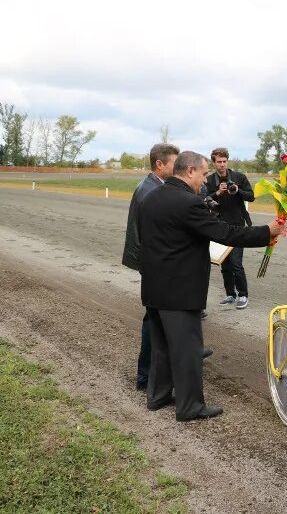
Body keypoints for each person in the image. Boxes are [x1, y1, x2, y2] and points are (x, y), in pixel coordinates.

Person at [138, 151, 285, 421]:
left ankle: (157, 396)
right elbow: (226, 233)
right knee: (188, 350)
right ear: (190, 171)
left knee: (161, 347)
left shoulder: (151, 196)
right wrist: (267, 232)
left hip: (154, 286)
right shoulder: (187, 203)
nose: (205, 180)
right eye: (204, 174)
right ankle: (190, 406)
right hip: (179, 291)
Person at [122, 143, 178, 391]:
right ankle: (146, 376)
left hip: (152, 262)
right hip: (154, 265)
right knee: (153, 322)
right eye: (175, 163)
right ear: (160, 164)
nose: (178, 168)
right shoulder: (149, 191)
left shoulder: (155, 187)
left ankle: (151, 375)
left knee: (156, 320)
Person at [205, 147, 255, 309]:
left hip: (238, 225)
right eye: (218, 162)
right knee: (224, 263)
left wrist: (238, 190)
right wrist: (218, 193)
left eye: (224, 161)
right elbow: (204, 199)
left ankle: (243, 295)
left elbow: (251, 197)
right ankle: (230, 294)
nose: (222, 165)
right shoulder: (210, 180)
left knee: (236, 263)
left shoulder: (239, 177)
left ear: (227, 161)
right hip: (218, 225)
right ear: (213, 162)